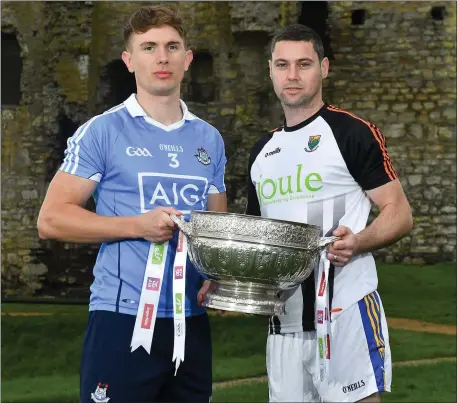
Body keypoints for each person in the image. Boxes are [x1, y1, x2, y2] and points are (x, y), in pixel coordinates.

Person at [37, 5, 227, 403]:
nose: (162, 57)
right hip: (122, 317)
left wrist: (218, 269)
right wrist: (137, 225)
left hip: (189, 322)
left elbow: (217, 223)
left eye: (172, 46)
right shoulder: (102, 132)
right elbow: (52, 219)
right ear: (129, 60)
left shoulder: (210, 139)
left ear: (187, 58)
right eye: (149, 47)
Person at [245, 24, 413, 403]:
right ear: (269, 70)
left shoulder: (352, 132)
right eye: (282, 65)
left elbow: (399, 213)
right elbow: (258, 239)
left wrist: (358, 241)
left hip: (345, 310)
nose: (292, 75)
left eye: (303, 64)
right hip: (284, 322)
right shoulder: (261, 152)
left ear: (323, 68)